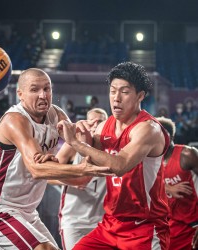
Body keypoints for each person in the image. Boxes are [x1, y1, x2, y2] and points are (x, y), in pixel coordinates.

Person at [0, 68, 110, 250]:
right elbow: (37, 170)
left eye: (47, 89)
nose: (43, 95)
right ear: (20, 94)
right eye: (35, 90)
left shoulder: (55, 115)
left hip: (28, 212)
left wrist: (86, 132)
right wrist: (82, 168)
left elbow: (80, 166)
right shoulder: (14, 120)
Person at [57, 62, 170, 250]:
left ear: (140, 96)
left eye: (124, 92)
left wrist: (77, 143)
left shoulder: (148, 129)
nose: (116, 98)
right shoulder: (104, 127)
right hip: (110, 224)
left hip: (145, 226)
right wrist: (79, 135)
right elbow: (87, 166)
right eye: (112, 91)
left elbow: (120, 165)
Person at [55, 108, 108, 250]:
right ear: (85, 123)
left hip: (102, 221)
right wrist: (74, 180)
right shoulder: (73, 144)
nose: (96, 124)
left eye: (101, 121)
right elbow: (49, 174)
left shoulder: (111, 148)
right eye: (92, 121)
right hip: (74, 219)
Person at [156, 116, 198, 250]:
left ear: (168, 136)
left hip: (193, 224)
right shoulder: (151, 160)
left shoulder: (187, 154)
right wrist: (167, 188)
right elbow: (138, 185)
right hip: (171, 224)